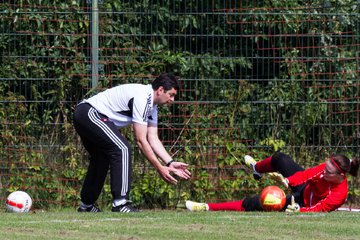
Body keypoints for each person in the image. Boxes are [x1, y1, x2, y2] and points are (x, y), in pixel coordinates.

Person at [73, 73, 191, 213]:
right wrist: (159, 167)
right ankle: (120, 203)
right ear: (160, 90)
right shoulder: (142, 98)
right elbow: (141, 141)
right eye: (171, 95)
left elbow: (153, 138)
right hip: (88, 112)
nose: (172, 100)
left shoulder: (152, 107)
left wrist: (170, 163)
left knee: (101, 156)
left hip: (85, 115)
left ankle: (86, 206)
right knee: (122, 148)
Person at [186, 152, 359, 213]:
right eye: (326, 167)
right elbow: (306, 175)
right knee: (280, 158)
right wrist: (286, 180)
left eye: (328, 172)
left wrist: (299, 210)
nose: (324, 171)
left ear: (340, 175)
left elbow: (319, 209)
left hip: (302, 204)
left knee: (255, 202)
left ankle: (206, 207)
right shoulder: (326, 167)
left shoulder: (339, 194)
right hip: (305, 188)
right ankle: (257, 168)